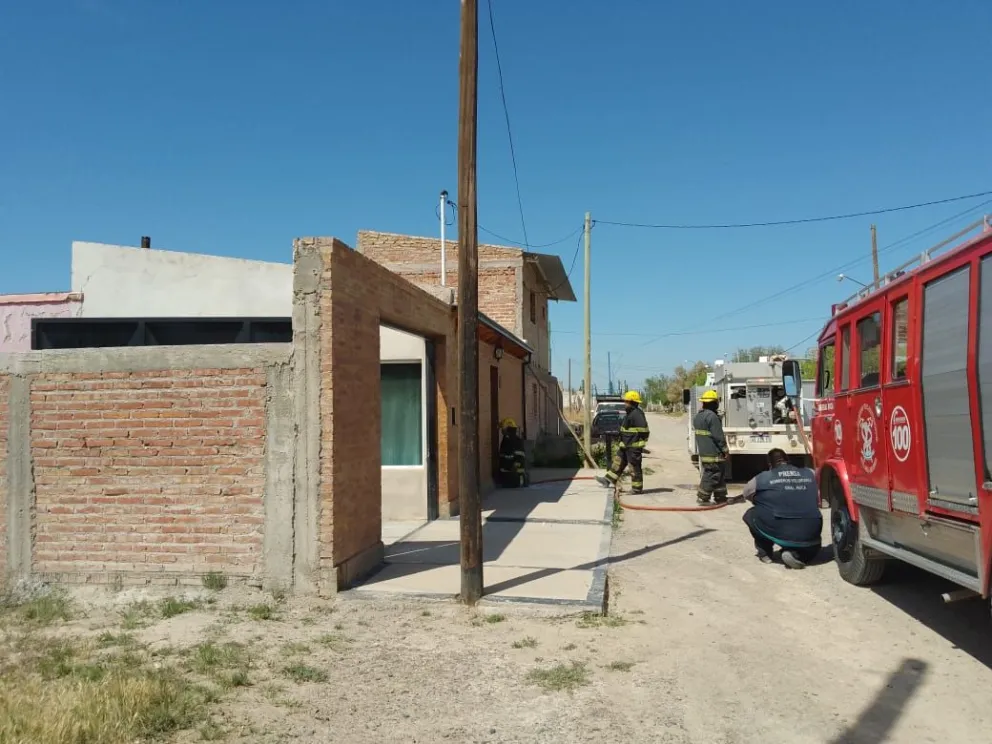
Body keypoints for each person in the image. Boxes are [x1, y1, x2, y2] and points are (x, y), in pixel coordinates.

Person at [741, 448, 823, 568]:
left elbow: (746, 494)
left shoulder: (761, 478)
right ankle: (795, 553)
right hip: (811, 531)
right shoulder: (810, 473)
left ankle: (765, 553)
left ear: (770, 465)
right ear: (788, 460)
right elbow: (819, 494)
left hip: (779, 527)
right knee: (812, 547)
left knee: (750, 514)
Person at [596, 390, 650, 493]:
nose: (624, 403)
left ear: (632, 402)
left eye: (626, 401)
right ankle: (607, 480)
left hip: (633, 447)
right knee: (617, 463)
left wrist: (638, 444)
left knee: (634, 467)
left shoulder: (637, 414)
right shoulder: (630, 413)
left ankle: (637, 488)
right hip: (625, 446)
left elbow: (644, 431)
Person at [694, 389, 729, 504]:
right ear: (714, 403)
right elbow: (718, 436)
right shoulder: (712, 417)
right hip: (713, 453)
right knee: (713, 473)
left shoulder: (698, 416)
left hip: (704, 452)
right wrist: (725, 449)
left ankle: (720, 496)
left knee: (719, 473)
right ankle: (703, 497)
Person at [497, 418, 527, 487]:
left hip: (515, 476)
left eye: (503, 429)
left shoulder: (516, 441)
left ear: (508, 429)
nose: (502, 431)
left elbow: (520, 458)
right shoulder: (506, 440)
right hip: (506, 476)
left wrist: (515, 467)